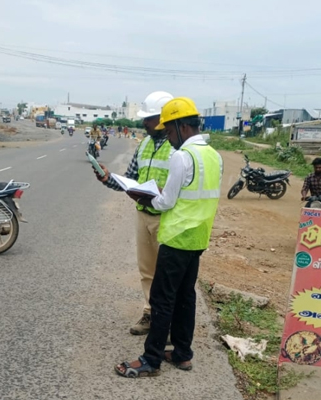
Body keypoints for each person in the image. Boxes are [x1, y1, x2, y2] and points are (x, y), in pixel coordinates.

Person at [114, 97, 223, 378]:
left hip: (176, 239)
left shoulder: (183, 156)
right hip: (198, 238)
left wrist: (144, 197)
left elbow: (165, 202)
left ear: (181, 126)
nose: (168, 136)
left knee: (162, 299)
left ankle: (151, 359)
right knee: (186, 297)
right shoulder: (213, 155)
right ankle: (182, 354)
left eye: (170, 130)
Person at [94, 91, 174, 335]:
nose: (144, 123)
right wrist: (109, 179)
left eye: (148, 118)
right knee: (147, 270)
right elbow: (131, 180)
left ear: (162, 118)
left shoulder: (177, 147)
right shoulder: (145, 144)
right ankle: (150, 313)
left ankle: (170, 323)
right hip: (143, 215)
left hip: (168, 218)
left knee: (169, 274)